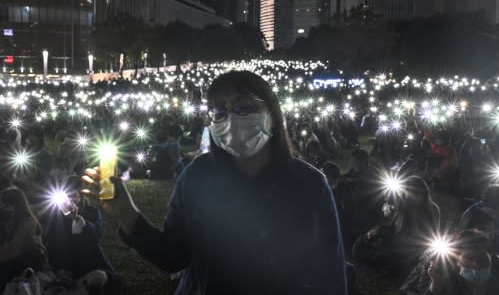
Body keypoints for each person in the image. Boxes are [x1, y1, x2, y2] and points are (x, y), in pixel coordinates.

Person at [82, 70, 347, 294]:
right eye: (219, 112)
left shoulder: (309, 186)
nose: (231, 118)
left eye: (244, 106)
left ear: (273, 114)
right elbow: (174, 257)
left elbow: (329, 277)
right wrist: (127, 213)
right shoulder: (198, 176)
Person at [43, 177, 116, 294]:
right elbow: (52, 244)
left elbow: (98, 234)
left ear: (80, 196)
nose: (70, 200)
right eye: (67, 196)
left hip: (90, 264)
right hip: (65, 267)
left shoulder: (91, 211)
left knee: (99, 277)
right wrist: (60, 270)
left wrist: (77, 219)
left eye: (73, 196)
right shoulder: (56, 216)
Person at [0, 187, 47, 291]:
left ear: (15, 205)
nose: (2, 207)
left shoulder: (28, 221)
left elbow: (16, 247)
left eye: (5, 204)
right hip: (17, 257)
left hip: (30, 258)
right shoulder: (9, 219)